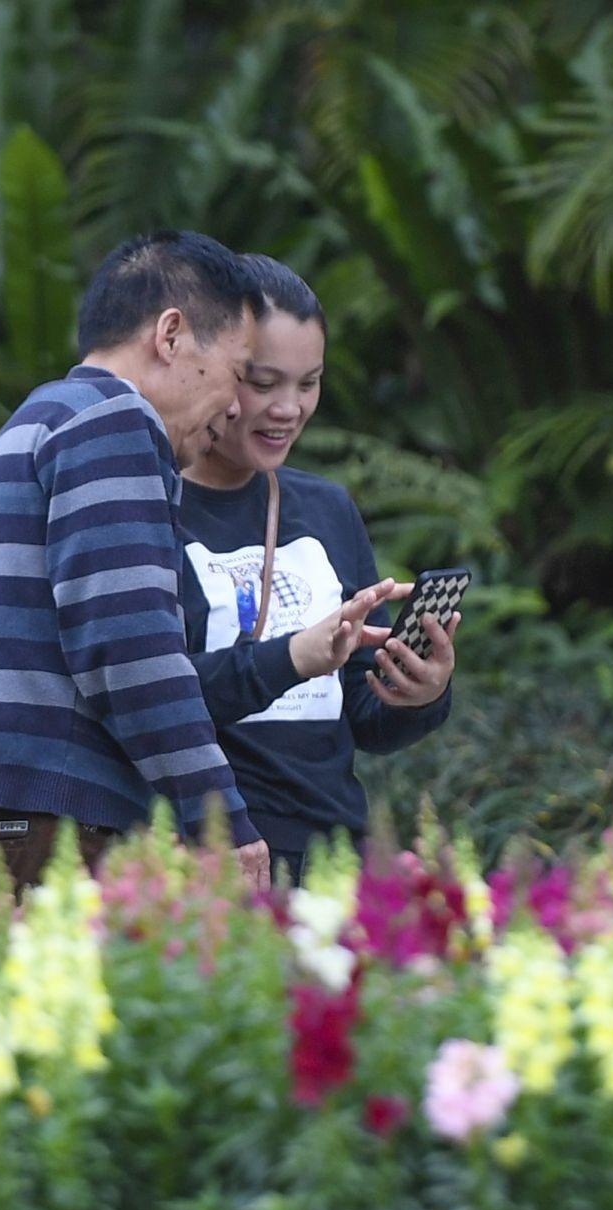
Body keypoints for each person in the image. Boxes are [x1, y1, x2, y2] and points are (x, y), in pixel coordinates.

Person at [0, 230, 273, 891]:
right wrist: (219, 820)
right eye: (238, 372)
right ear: (171, 336)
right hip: (67, 827)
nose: (237, 406)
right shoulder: (116, 424)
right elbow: (128, 647)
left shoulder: (16, 437)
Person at [178, 255, 458, 886]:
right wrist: (296, 655)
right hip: (215, 856)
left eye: (308, 384)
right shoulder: (150, 507)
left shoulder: (326, 509)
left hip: (335, 856)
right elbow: (153, 694)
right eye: (262, 381)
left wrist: (422, 692)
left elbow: (363, 714)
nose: (288, 408)